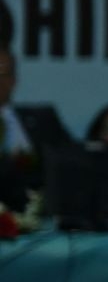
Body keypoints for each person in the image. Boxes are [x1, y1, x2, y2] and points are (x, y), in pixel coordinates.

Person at [0, 46, 71, 208]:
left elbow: (71, 164)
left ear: (13, 80)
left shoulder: (44, 120)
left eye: (3, 73)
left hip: (38, 214)